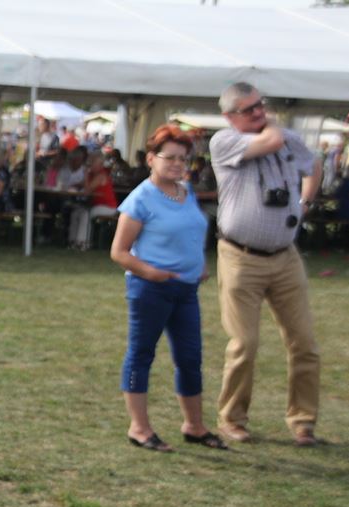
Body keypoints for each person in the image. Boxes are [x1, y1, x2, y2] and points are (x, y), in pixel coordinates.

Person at [209, 82, 322, 447]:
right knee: (245, 343)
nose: (259, 113)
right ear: (229, 117)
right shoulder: (224, 141)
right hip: (241, 257)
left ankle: (303, 422)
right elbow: (271, 142)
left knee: (304, 342)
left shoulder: (284, 137)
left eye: (261, 105)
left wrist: (303, 204)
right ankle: (231, 419)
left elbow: (314, 164)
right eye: (250, 109)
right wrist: (275, 127)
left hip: (285, 256)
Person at [110, 124, 227, 453]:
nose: (178, 164)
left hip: (186, 290)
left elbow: (190, 230)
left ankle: (194, 425)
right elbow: (118, 252)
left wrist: (198, 264)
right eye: (170, 158)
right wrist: (151, 272)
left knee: (190, 358)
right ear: (151, 159)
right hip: (150, 290)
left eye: (184, 159)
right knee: (141, 355)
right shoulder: (140, 200)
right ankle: (140, 428)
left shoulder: (185, 191)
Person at [68, 150, 118, 250]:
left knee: (85, 214)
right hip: (96, 205)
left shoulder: (101, 175)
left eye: (92, 163)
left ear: (99, 164)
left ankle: (82, 243)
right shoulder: (92, 174)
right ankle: (72, 241)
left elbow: (87, 190)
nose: (90, 165)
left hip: (107, 207)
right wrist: (71, 186)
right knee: (76, 213)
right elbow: (81, 184)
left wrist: (86, 176)